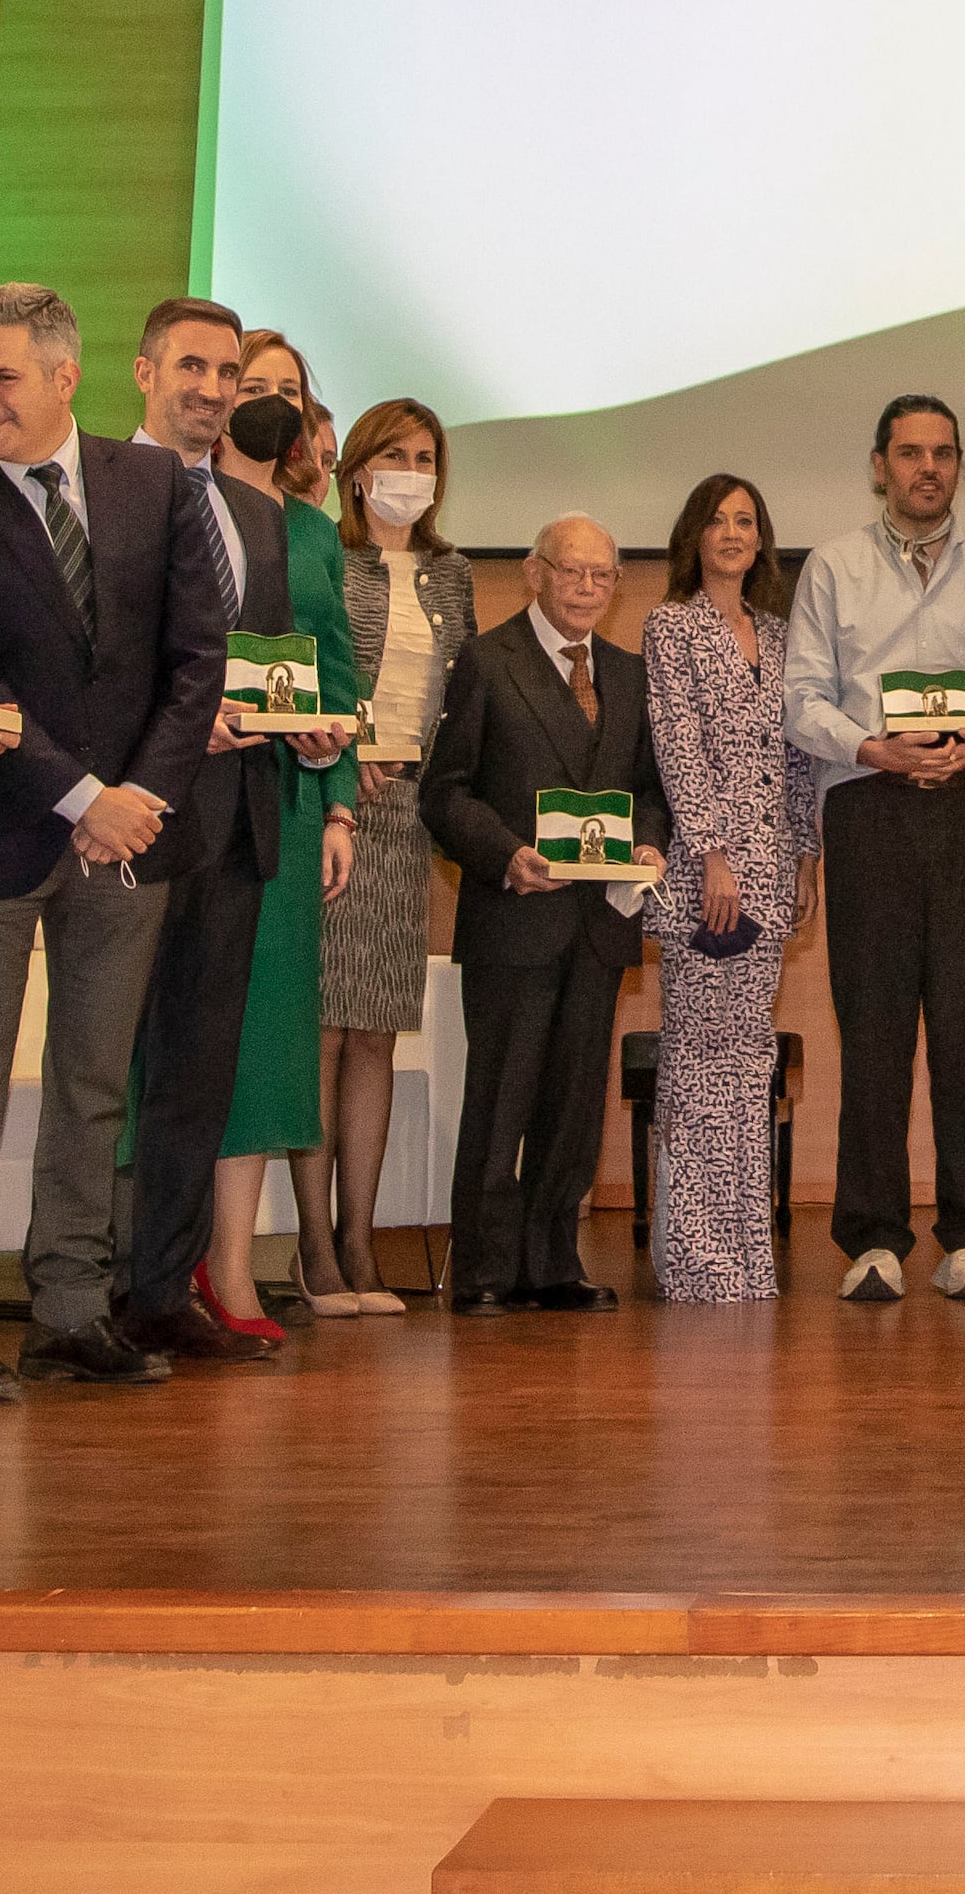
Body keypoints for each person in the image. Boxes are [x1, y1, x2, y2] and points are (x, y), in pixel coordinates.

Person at [0, 282, 231, 1396]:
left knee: (90, 1082)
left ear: (61, 376)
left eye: (2, 379)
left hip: (131, 836)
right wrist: (81, 796)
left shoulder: (152, 485)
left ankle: (71, 1310)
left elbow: (196, 661)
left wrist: (135, 797)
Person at [786, 393, 965, 1304]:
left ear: (958, 467)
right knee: (876, 1029)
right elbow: (803, 694)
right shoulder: (832, 566)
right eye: (908, 453)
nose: (925, 468)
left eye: (941, 453)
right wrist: (870, 746)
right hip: (870, 805)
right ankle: (872, 1238)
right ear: (878, 464)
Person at [109, 294, 307, 1363]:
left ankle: (156, 1296)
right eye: (190, 366)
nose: (211, 390)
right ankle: (80, 1288)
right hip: (134, 821)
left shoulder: (258, 512)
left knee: (196, 1074)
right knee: (106, 1069)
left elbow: (262, 659)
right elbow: (95, 665)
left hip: (236, 826)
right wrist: (183, 732)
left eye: (226, 373)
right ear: (144, 373)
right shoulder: (98, 489)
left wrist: (303, 731)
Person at [423, 515, 670, 1313]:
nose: (588, 590)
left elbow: (650, 794)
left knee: (573, 1103)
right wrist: (505, 856)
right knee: (502, 1100)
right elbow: (444, 792)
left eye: (603, 576)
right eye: (573, 573)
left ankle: (553, 1261)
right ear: (534, 572)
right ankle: (487, 1269)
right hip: (513, 920)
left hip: (599, 925)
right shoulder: (487, 661)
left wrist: (650, 847)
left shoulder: (630, 675)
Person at [200, 339, 365, 1329]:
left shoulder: (313, 533)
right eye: (247, 387)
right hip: (188, 793)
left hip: (291, 806)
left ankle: (228, 1266)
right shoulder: (175, 504)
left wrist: (337, 792)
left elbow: (335, 676)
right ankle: (159, 1257)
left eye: (283, 394)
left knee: (266, 1035)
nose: (263, 407)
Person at [309, 396, 467, 1316]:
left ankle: (364, 1239)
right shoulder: (327, 553)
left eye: (428, 455)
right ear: (358, 464)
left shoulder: (450, 575)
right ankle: (317, 1249)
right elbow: (319, 665)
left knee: (375, 1032)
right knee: (323, 1031)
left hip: (409, 819)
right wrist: (346, 751)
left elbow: (466, 697)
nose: (413, 470)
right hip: (337, 804)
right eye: (397, 453)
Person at [642, 472, 805, 1301]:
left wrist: (806, 854)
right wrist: (708, 853)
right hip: (709, 878)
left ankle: (747, 1259)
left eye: (747, 519)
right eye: (718, 519)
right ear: (694, 535)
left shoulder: (781, 636)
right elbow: (676, 743)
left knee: (749, 1066)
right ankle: (697, 1261)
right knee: (700, 1063)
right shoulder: (671, 626)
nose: (733, 532)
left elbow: (800, 756)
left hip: (773, 877)